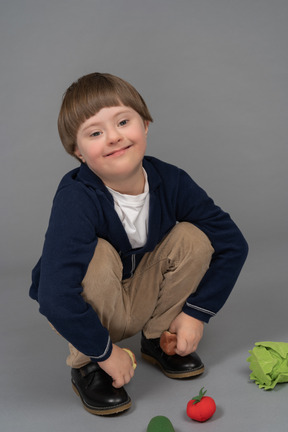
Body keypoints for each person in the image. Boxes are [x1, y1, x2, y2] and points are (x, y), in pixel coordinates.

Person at [30, 72, 248, 416]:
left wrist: (196, 313)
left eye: (123, 121)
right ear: (78, 151)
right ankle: (87, 364)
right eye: (95, 133)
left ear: (145, 124)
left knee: (193, 237)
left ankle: (159, 338)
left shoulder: (170, 180)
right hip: (93, 301)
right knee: (97, 255)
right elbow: (55, 295)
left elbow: (233, 243)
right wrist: (105, 351)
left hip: (141, 294)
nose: (114, 137)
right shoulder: (76, 198)